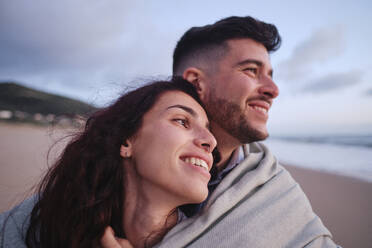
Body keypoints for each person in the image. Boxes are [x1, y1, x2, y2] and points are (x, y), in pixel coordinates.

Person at [153, 16, 338, 247]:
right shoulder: (113, 170)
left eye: (270, 75)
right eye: (252, 70)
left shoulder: (274, 187)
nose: (273, 90)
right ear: (195, 82)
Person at [0, 77, 217, 248]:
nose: (211, 141)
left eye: (208, 130)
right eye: (181, 121)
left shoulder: (217, 239)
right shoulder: (40, 221)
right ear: (126, 141)